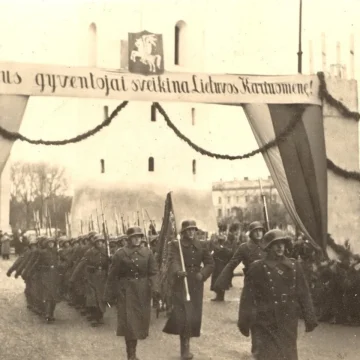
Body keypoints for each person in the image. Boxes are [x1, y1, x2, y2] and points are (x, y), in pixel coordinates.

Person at [238, 229, 318, 360]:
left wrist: (310, 317)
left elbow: (303, 293)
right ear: (268, 247)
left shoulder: (294, 266)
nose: (280, 247)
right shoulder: (258, 267)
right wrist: (244, 322)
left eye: (282, 243)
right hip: (265, 321)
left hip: (288, 320)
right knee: (267, 355)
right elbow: (247, 297)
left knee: (288, 354)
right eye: (276, 244)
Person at [104, 226, 159, 360]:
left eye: (139, 237)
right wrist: (108, 295)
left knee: (139, 323)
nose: (137, 239)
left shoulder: (147, 253)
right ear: (128, 239)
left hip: (142, 292)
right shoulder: (120, 254)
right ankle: (131, 355)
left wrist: (156, 288)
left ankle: (133, 352)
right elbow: (112, 275)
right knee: (130, 324)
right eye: (134, 237)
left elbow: (153, 272)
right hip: (126, 292)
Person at [163, 220, 214, 360]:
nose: (191, 232)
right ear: (183, 232)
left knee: (192, 316)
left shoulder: (202, 245)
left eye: (193, 230)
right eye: (188, 230)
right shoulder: (176, 245)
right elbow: (173, 260)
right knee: (184, 315)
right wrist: (178, 271)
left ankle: (187, 345)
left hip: (196, 284)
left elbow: (210, 263)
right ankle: (185, 349)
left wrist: (202, 274)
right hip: (181, 284)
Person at [214, 221, 266, 290]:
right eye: (255, 231)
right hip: (251, 283)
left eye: (260, 230)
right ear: (251, 233)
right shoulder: (244, 247)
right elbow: (231, 264)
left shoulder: (268, 246)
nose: (258, 233)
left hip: (266, 283)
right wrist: (220, 281)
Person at [210, 233, 233, 301]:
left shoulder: (216, 248)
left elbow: (212, 256)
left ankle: (219, 297)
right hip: (223, 266)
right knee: (221, 281)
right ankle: (220, 296)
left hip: (218, 267)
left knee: (218, 281)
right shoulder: (227, 249)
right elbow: (230, 256)